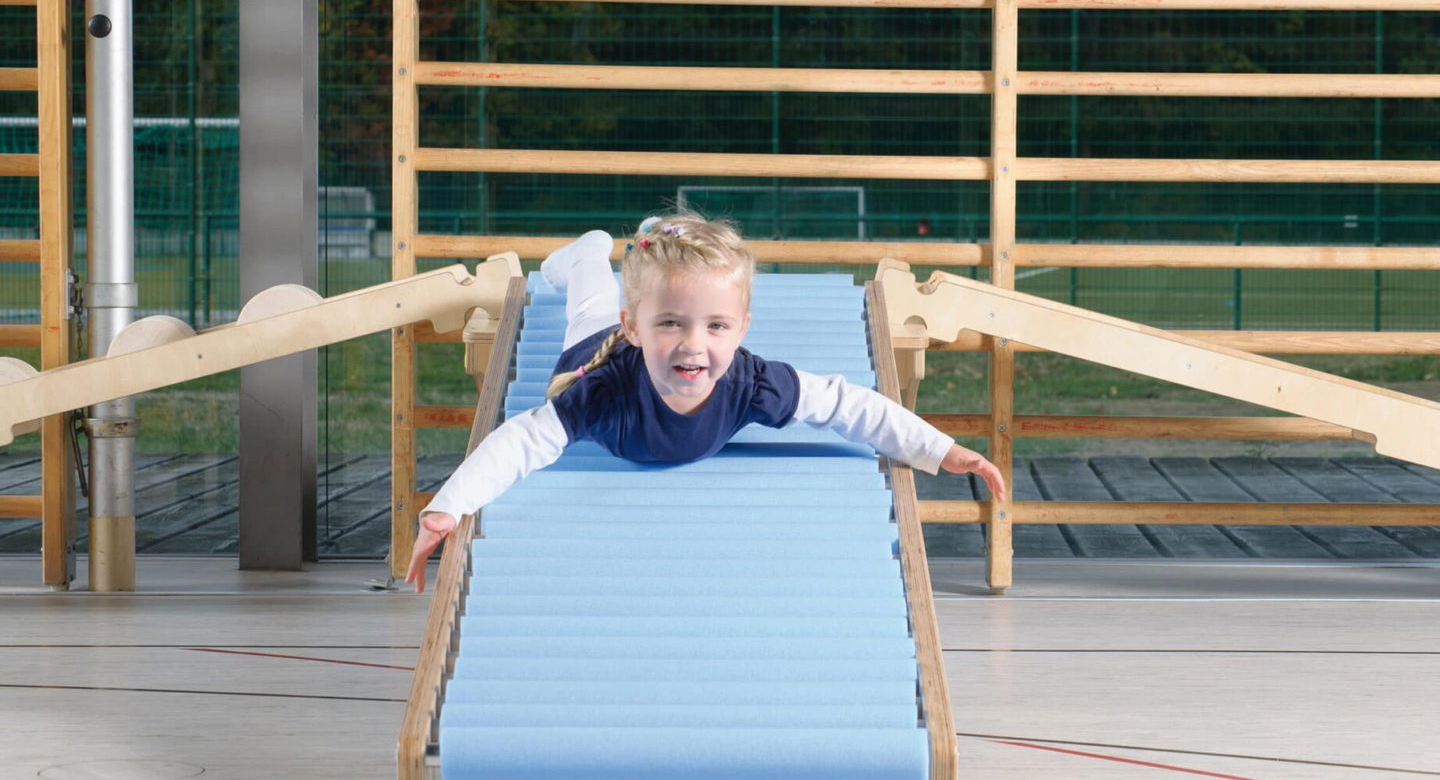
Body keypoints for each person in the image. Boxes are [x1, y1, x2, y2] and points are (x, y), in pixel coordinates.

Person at [404, 213, 1006, 591]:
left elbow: (845, 404)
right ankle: (588, 252)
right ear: (637, 328)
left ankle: (646, 243)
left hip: (634, 333)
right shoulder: (602, 392)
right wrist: (447, 507)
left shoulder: (750, 381)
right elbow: (518, 442)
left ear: (741, 329)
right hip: (593, 351)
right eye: (670, 323)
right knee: (589, 304)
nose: (694, 345)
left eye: (716, 326)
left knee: (621, 300)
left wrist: (941, 450)